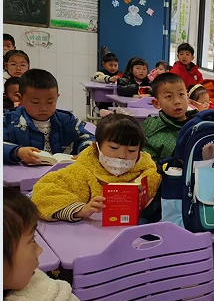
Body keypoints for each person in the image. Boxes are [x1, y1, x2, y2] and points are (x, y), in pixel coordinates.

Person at [31, 114, 161, 222]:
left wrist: (153, 205)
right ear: (96, 147)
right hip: (90, 234)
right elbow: (43, 194)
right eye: (114, 148)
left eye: (131, 150)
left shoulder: (147, 173)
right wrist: (80, 210)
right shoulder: (83, 170)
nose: (122, 156)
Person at [4, 69, 95, 165]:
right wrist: (17, 152)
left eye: (50, 102)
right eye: (35, 102)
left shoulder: (68, 120)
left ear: (57, 97)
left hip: (64, 171)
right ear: (20, 98)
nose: (43, 108)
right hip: (25, 172)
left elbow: (90, 137)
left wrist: (86, 150)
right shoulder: (10, 121)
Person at [143, 73, 197, 163]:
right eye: (169, 96)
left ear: (187, 97)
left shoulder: (201, 123)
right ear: (157, 103)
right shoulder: (151, 132)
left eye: (181, 94)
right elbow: (149, 165)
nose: (177, 101)